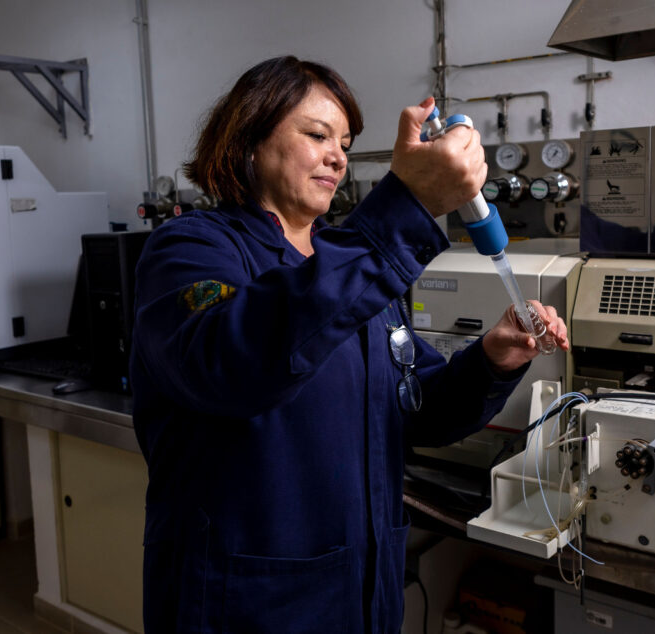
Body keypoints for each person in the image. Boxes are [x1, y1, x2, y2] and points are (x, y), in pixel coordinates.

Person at [130, 55, 569, 634]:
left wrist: (492, 358)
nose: (338, 156)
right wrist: (404, 209)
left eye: (345, 141)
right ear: (248, 142)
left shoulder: (355, 269)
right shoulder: (189, 250)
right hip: (245, 602)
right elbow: (235, 360)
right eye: (316, 135)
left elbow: (415, 408)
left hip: (362, 595)